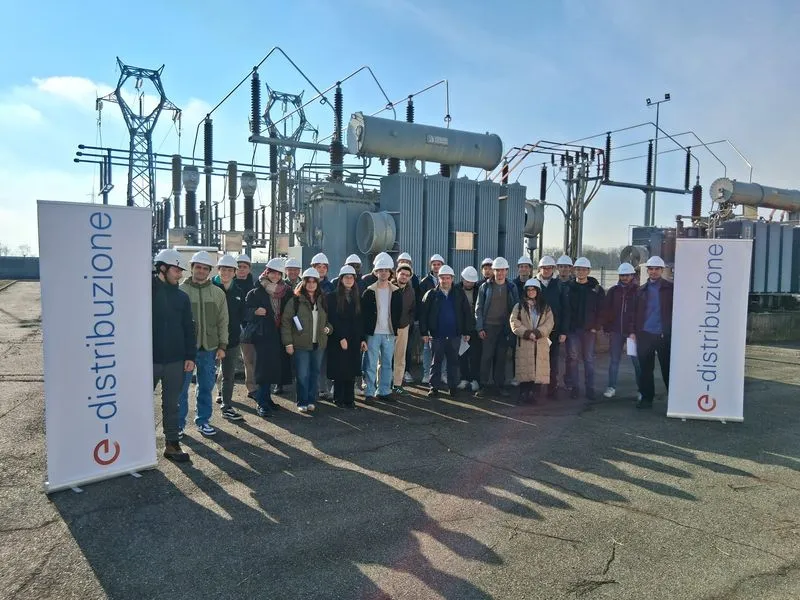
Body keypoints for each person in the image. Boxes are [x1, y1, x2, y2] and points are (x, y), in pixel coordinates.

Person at [178, 251, 229, 437]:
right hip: (184, 350)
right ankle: (178, 424)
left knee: (206, 386)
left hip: (209, 348)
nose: (201, 270)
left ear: (209, 271)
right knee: (181, 389)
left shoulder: (217, 293)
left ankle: (203, 420)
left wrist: (223, 345)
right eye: (198, 267)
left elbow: (223, 321)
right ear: (191, 268)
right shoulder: (181, 291)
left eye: (205, 268)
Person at [152, 249, 194, 462]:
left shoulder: (182, 297)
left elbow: (189, 328)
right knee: (138, 403)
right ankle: (136, 445)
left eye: (180, 270)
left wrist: (190, 356)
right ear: (162, 268)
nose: (180, 274)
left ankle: (172, 444)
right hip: (147, 361)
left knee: (172, 404)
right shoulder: (145, 292)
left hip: (176, 361)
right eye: (176, 270)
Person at [244, 258, 292, 417]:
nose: (276, 276)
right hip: (263, 335)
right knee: (263, 370)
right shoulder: (255, 292)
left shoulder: (285, 291)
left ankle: (267, 399)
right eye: (273, 272)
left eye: (279, 273)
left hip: (278, 335)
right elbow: (244, 313)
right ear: (267, 272)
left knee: (274, 369)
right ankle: (262, 402)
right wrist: (254, 312)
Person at [282, 267, 332, 413]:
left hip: (319, 344)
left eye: (314, 281)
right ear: (303, 283)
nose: (311, 284)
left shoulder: (322, 300)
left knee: (315, 373)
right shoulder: (295, 301)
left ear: (317, 283)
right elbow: (286, 322)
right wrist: (288, 343)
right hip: (301, 345)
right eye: (308, 281)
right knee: (302, 374)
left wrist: (328, 329)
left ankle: (311, 399)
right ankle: (302, 401)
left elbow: (328, 321)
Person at [419, 265, 474, 397]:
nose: (445, 280)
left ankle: (453, 387)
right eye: (442, 278)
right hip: (437, 335)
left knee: (453, 362)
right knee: (436, 362)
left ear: (452, 279)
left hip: (454, 334)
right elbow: (423, 315)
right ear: (439, 279)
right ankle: (434, 387)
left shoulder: (459, 294)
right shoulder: (431, 294)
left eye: (447, 278)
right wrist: (424, 333)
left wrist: (467, 332)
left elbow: (466, 312)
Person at [628, 256, 673, 409]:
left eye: (657, 269)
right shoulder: (641, 291)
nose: (653, 272)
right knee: (646, 370)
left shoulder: (671, 289)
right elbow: (633, 313)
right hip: (645, 334)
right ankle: (647, 398)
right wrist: (632, 331)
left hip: (664, 335)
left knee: (668, 368)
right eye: (651, 269)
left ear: (662, 270)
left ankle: (674, 399)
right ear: (647, 271)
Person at [475, 257, 519, 397]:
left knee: (501, 358)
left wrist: (513, 328)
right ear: (493, 271)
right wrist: (480, 327)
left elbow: (516, 308)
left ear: (506, 271)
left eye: (502, 270)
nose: (499, 273)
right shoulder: (485, 287)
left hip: (504, 328)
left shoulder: (512, 287)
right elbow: (479, 308)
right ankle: (483, 386)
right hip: (488, 327)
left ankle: (500, 385)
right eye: (497, 270)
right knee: (486, 357)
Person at [361, 255, 401, 403]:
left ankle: (384, 390)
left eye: (386, 270)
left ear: (390, 272)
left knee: (386, 363)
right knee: (371, 364)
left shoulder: (396, 292)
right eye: (380, 270)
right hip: (373, 333)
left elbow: (398, 312)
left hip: (389, 333)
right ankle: (370, 392)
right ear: (376, 272)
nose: (383, 273)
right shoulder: (368, 292)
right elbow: (363, 315)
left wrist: (395, 329)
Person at [326, 265, 367, 408]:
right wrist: (340, 337)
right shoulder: (332, 297)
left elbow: (361, 319)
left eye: (351, 277)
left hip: (354, 338)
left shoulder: (357, 297)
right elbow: (332, 318)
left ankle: (349, 399)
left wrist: (362, 339)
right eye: (346, 277)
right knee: (340, 369)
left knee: (351, 369)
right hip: (338, 339)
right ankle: (338, 399)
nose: (349, 280)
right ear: (341, 279)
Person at [565, 256, 605, 400]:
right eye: (578, 269)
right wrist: (566, 329)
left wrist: (596, 326)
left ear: (588, 271)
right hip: (573, 330)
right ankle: (575, 388)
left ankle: (590, 389)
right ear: (574, 270)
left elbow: (602, 309)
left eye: (583, 269)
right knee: (573, 359)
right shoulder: (569, 288)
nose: (580, 272)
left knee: (588, 360)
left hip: (589, 330)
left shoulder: (596, 289)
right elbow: (565, 309)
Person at [510, 278, 555, 404]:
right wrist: (527, 333)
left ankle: (534, 394)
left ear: (538, 291)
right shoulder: (519, 306)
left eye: (533, 290)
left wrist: (538, 333)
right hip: (525, 342)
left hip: (540, 342)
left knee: (538, 368)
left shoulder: (545, 307)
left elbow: (549, 323)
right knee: (525, 367)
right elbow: (514, 322)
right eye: (528, 290)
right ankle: (524, 393)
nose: (530, 292)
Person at [212, 255, 245, 421]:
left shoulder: (238, 291)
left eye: (229, 270)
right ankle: (202, 414)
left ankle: (226, 406)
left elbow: (242, 314)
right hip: (209, 339)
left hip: (231, 340)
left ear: (234, 272)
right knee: (205, 376)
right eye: (223, 269)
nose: (225, 272)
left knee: (228, 374)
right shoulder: (209, 287)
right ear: (218, 270)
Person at [603, 262, 642, 399]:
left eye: (627, 275)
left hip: (633, 333)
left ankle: (641, 390)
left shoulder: (639, 291)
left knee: (637, 361)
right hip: (616, 331)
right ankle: (611, 387)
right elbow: (607, 309)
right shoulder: (613, 291)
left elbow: (640, 312)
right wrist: (607, 327)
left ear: (632, 275)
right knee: (614, 360)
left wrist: (635, 331)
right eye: (622, 275)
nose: (625, 278)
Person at [536, 255, 569, 398]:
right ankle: (536, 389)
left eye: (549, 268)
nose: (547, 270)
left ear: (553, 269)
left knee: (553, 361)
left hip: (554, 331)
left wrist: (563, 331)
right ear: (540, 268)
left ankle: (552, 388)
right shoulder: (534, 284)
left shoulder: (559, 285)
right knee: (537, 361)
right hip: (537, 331)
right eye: (544, 267)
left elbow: (565, 309)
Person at [235, 253, 258, 399]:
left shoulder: (254, 285)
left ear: (249, 269)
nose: (241, 270)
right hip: (230, 327)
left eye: (244, 267)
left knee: (249, 360)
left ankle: (252, 388)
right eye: (239, 267)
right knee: (226, 362)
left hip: (247, 328)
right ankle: (221, 390)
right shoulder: (229, 284)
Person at [419, 254, 445, 384]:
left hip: (443, 323)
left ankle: (443, 374)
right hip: (430, 323)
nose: (436, 266)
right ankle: (426, 374)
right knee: (427, 350)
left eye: (438, 264)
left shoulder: (449, 282)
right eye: (434, 264)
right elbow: (422, 306)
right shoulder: (425, 282)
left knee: (443, 350)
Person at [391, 263, 416, 395]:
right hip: (388, 328)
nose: (404, 277)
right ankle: (382, 385)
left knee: (400, 358)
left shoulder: (410, 290)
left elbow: (413, 309)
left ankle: (397, 385)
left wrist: (408, 322)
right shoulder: (389, 287)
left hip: (403, 328)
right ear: (397, 273)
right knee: (384, 358)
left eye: (407, 275)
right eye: (402, 274)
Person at [455, 266, 481, 392]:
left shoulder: (479, 289)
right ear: (462, 279)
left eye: (471, 282)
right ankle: (464, 378)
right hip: (460, 327)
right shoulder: (456, 289)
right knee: (462, 354)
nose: (469, 283)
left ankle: (474, 379)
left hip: (475, 328)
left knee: (475, 355)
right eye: (467, 281)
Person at [397, 252, 421, 385]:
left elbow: (415, 303)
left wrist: (411, 320)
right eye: (402, 261)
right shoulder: (391, 284)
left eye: (407, 261)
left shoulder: (414, 282)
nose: (404, 263)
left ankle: (404, 373)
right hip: (390, 325)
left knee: (406, 349)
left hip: (406, 324)